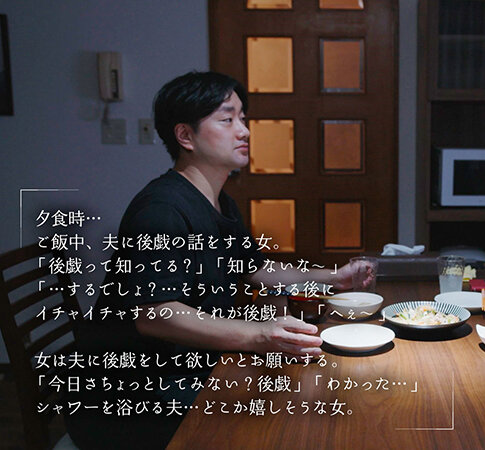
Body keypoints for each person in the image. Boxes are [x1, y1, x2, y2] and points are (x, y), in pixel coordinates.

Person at [66, 71, 371, 449]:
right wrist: (259, 335)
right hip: (134, 398)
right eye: (227, 119)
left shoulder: (218, 201)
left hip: (189, 371)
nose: (244, 131)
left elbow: (256, 269)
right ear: (185, 135)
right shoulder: (161, 209)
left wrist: (333, 278)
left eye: (243, 118)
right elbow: (154, 313)